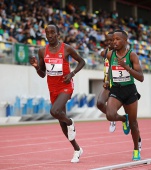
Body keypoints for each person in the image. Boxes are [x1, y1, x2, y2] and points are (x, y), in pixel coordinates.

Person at [30, 24, 85, 163]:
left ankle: (70, 121)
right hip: (52, 87)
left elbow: (82, 62)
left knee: (54, 111)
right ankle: (77, 149)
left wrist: (72, 74)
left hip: (65, 85)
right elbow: (43, 74)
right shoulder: (42, 51)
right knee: (61, 122)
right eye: (47, 33)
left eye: (52, 32)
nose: (49, 35)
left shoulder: (66, 48)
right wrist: (37, 67)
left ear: (58, 34)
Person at [105, 30, 144, 161]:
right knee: (110, 115)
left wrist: (127, 67)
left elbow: (141, 77)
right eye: (113, 39)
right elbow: (110, 69)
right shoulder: (111, 55)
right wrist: (107, 81)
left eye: (117, 39)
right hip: (116, 89)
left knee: (134, 124)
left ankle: (136, 150)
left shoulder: (131, 55)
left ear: (125, 41)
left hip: (130, 90)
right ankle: (123, 119)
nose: (114, 42)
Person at [97, 32, 116, 133]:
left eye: (111, 40)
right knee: (100, 103)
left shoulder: (120, 52)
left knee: (129, 111)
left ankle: (125, 120)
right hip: (108, 85)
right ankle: (113, 118)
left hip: (120, 85)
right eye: (107, 40)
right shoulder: (104, 53)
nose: (109, 42)